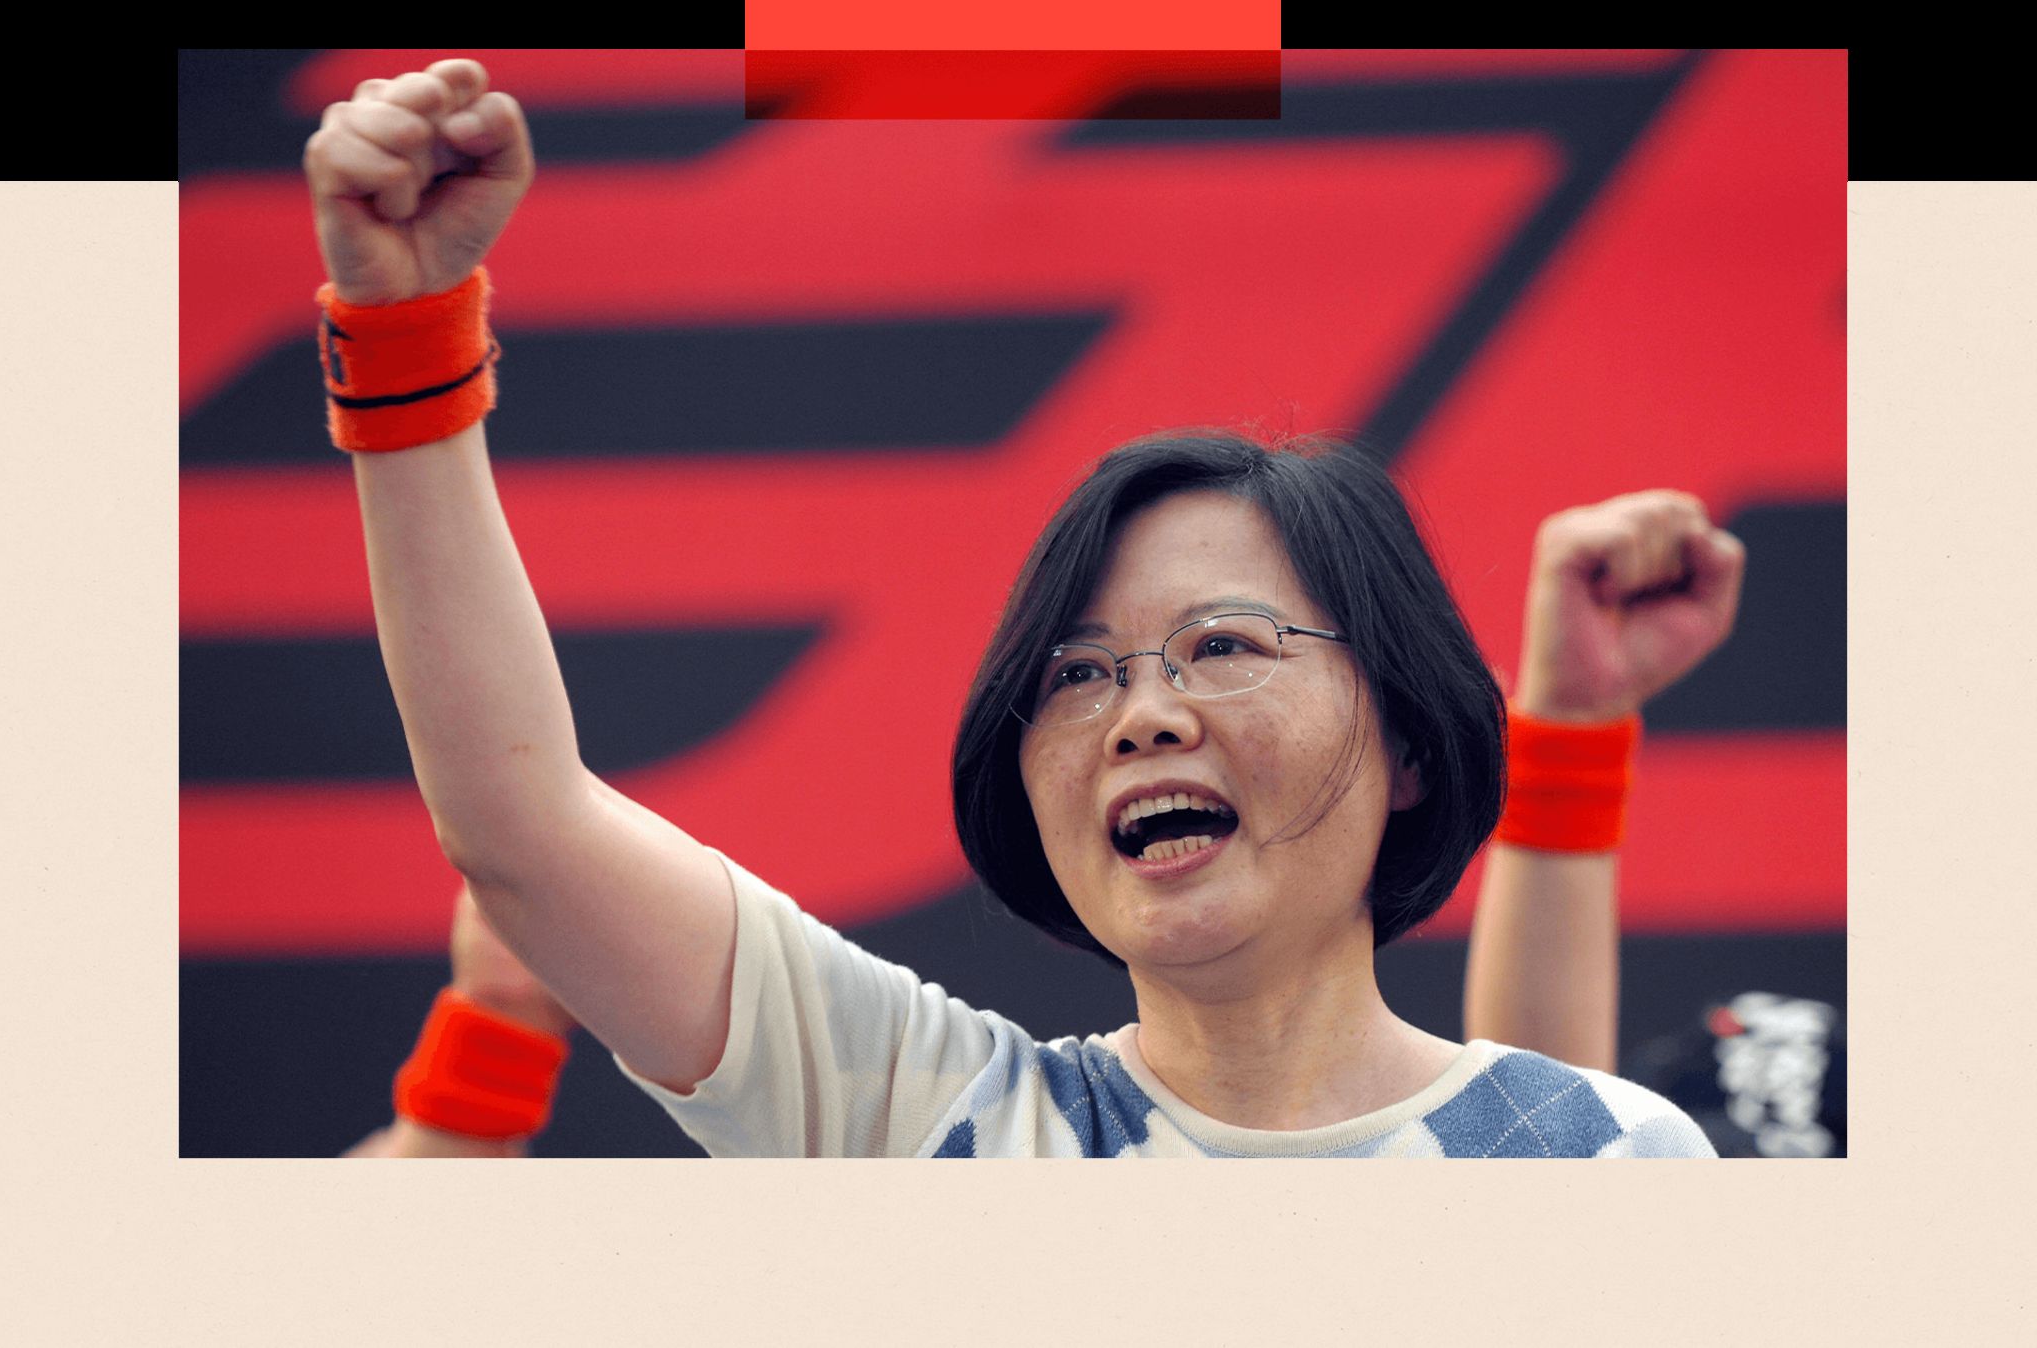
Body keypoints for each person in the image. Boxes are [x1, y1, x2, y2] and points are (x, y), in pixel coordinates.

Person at [313, 59, 1744, 1158]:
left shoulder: (1607, 1154)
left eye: (1224, 646)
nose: (1143, 714)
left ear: (1411, 738)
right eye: (1078, 677)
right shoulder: (934, 1117)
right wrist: (408, 332)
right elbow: (519, 826)